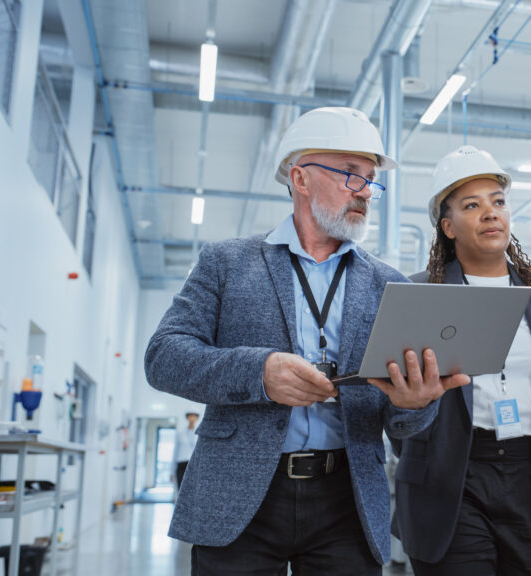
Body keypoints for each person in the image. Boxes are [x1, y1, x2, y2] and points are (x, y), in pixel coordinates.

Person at [145, 106, 469, 575]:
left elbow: (401, 426)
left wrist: (415, 403)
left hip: (348, 500)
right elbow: (163, 356)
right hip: (240, 494)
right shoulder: (227, 262)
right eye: (350, 175)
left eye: (371, 180)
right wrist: (259, 373)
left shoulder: (389, 285)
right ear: (300, 178)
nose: (365, 193)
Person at [392, 145, 531, 575]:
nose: (490, 213)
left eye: (498, 202)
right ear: (447, 226)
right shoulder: (418, 294)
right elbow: (396, 401)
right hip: (451, 477)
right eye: (472, 205)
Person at [172, 411, 199, 491]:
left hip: (194, 464)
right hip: (181, 465)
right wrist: (172, 471)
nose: (192, 418)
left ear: (197, 418)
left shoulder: (200, 434)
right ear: (187, 418)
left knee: (193, 490)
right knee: (181, 489)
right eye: (190, 416)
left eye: (194, 416)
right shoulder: (180, 433)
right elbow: (175, 452)